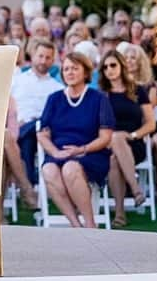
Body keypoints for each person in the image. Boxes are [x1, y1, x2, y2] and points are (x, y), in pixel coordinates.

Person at [38, 53, 115, 228]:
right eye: (66, 69)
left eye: (75, 68)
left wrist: (81, 150)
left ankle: (89, 224)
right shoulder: (54, 99)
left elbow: (106, 137)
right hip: (60, 153)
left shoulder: (99, 99)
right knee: (48, 170)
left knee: (70, 168)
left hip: (91, 153)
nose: (70, 72)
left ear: (86, 72)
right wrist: (55, 152)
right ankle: (75, 225)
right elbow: (42, 134)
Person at [98, 51, 154, 226]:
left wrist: (132, 135)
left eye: (113, 65)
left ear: (122, 66)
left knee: (117, 146)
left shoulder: (138, 91)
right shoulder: (102, 95)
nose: (109, 70)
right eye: (105, 67)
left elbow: (151, 124)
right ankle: (135, 191)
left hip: (134, 143)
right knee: (114, 149)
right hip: (107, 145)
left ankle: (120, 213)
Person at [10, 39, 63, 183]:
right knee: (30, 136)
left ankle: (28, 186)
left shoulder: (57, 88)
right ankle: (31, 184)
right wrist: (14, 124)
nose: (43, 61)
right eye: (40, 56)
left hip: (45, 132)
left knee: (36, 127)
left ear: (53, 60)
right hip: (18, 129)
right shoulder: (16, 81)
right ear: (32, 56)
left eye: (48, 57)